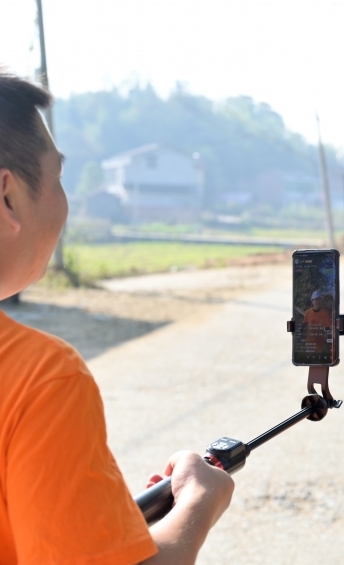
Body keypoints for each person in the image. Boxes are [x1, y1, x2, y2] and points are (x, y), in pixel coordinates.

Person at [0, 71, 234, 564]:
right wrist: (198, 502)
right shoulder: (39, 379)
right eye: (58, 176)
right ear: (7, 196)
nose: (64, 203)